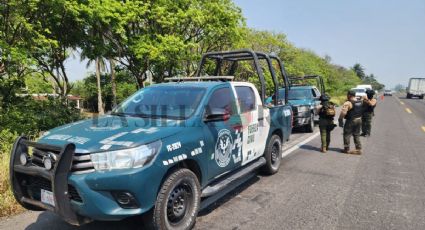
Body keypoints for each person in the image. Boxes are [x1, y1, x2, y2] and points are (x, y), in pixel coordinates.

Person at [338, 90, 365, 154]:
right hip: (359, 119)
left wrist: (340, 119)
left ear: (349, 95)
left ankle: (346, 149)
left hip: (351, 120)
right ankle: (358, 149)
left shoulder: (348, 103)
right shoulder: (360, 101)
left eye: (347, 94)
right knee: (356, 134)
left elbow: (343, 112)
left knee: (347, 134)